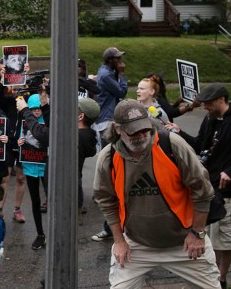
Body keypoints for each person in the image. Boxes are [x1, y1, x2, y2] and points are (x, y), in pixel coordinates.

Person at [92, 99, 221, 288]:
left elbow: (203, 191)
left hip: (185, 241)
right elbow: (105, 200)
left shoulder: (172, 145)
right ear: (118, 129)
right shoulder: (108, 157)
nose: (141, 136)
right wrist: (119, 241)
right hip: (136, 243)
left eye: (145, 129)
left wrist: (198, 233)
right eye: (133, 132)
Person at [174, 84, 231, 288]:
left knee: (224, 238)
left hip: (229, 190)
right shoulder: (209, 120)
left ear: (221, 100)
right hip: (208, 187)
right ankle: (210, 277)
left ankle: (222, 278)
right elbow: (199, 145)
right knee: (207, 235)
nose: (205, 107)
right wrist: (178, 132)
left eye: (208, 103)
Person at [92, 47, 128, 242]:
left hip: (107, 118)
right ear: (111, 60)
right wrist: (122, 75)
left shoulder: (106, 71)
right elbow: (121, 91)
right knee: (113, 163)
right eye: (118, 59)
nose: (121, 62)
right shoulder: (107, 75)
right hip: (107, 121)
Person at [15, 93, 49, 250]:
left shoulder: (47, 122)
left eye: (38, 109)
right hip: (30, 165)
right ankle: (40, 234)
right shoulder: (24, 122)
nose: (36, 112)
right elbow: (19, 137)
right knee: (35, 201)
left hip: (45, 166)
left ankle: (54, 232)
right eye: (33, 109)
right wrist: (19, 141)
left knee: (51, 200)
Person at [77, 97, 100, 216]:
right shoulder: (88, 135)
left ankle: (78, 207)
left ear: (80, 117)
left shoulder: (78, 136)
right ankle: (79, 206)